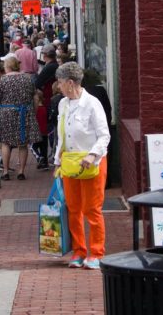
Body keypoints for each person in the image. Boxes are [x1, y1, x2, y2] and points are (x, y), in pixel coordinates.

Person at [52, 61, 111, 271]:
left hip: (91, 163)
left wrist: (93, 155)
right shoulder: (63, 104)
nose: (58, 87)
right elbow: (62, 135)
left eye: (59, 82)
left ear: (70, 82)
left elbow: (104, 135)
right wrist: (57, 162)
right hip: (70, 163)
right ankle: (79, 250)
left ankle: (96, 252)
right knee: (74, 209)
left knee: (92, 209)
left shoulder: (92, 103)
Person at [0, 55, 41, 181]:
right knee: (23, 143)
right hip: (24, 113)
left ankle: (5, 171)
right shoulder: (28, 78)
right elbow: (35, 97)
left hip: (7, 114)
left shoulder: (3, 80)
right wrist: (33, 111)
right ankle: (21, 171)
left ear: (8, 66)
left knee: (5, 143)